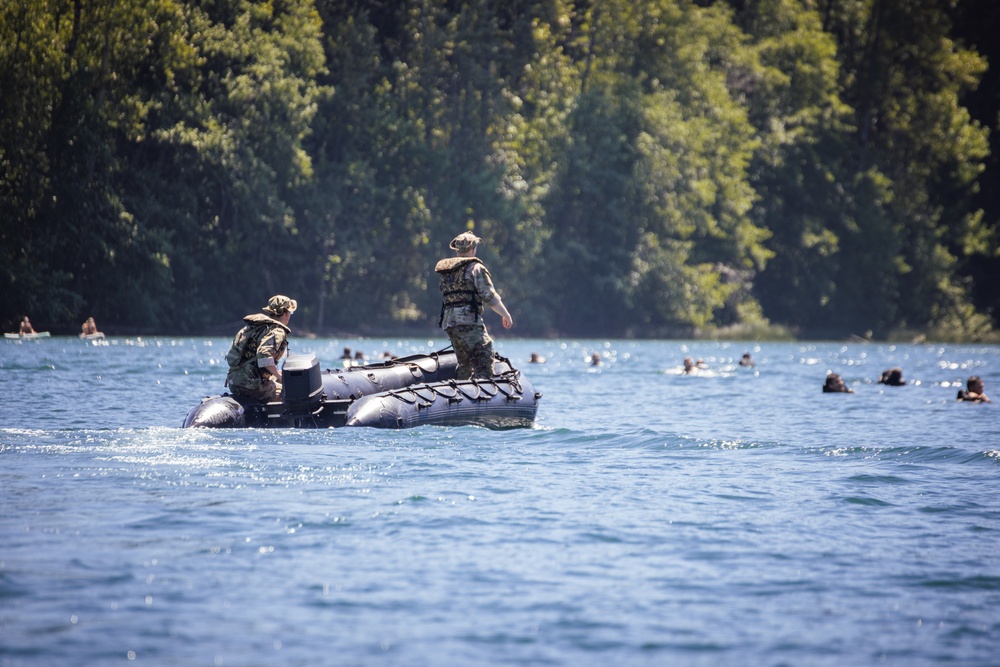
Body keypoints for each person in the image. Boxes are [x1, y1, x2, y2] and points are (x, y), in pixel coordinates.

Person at [435, 231, 512, 380]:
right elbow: (489, 296)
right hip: (467, 321)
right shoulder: (476, 268)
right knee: (485, 353)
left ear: (457, 249)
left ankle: (461, 392)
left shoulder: (447, 271)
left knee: (465, 363)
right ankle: (482, 393)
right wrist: (505, 314)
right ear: (473, 248)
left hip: (449, 322)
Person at [225, 295, 297, 403]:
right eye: (290, 313)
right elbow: (264, 355)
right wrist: (279, 376)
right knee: (292, 392)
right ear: (286, 313)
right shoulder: (277, 331)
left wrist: (277, 374)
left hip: (235, 383)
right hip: (252, 386)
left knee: (277, 378)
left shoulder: (256, 326)